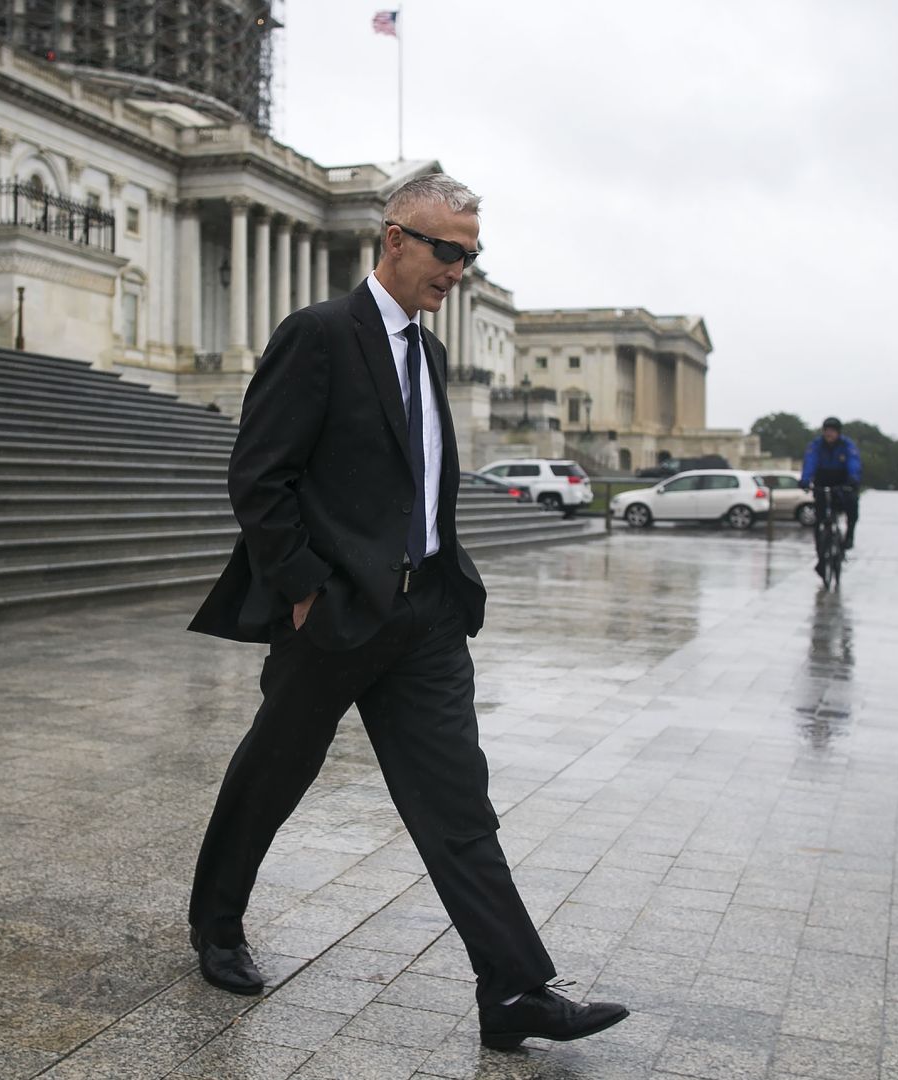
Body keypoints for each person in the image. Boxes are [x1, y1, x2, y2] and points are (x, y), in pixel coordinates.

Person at [185, 174, 629, 1050]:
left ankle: (514, 990)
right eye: (447, 249)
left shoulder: (428, 353)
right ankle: (216, 921)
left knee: (459, 803)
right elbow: (258, 476)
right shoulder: (316, 336)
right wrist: (307, 588)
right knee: (275, 774)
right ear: (394, 240)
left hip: (425, 615)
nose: (459, 269)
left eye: (471, 253)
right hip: (338, 612)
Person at [800, 417, 862, 576]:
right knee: (819, 520)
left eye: (832, 430)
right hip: (822, 481)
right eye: (826, 430)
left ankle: (849, 537)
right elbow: (810, 462)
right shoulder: (816, 445)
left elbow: (853, 462)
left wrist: (853, 480)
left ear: (838, 432)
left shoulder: (847, 446)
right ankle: (821, 556)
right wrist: (806, 480)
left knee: (852, 505)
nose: (829, 433)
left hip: (842, 481)